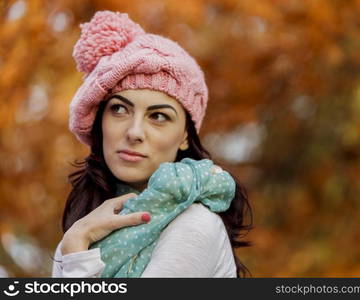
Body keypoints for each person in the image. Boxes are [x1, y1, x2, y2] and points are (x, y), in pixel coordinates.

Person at [51, 10, 253, 278]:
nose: (134, 132)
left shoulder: (194, 225)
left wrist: (76, 254)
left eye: (158, 116)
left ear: (184, 136)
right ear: (100, 121)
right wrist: (76, 242)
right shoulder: (83, 229)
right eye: (120, 110)